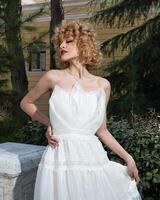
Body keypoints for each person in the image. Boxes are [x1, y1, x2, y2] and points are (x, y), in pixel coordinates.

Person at [20, 20, 142, 200]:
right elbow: (26, 103)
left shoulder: (103, 85)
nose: (61, 45)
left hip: (92, 159)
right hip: (59, 159)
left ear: (84, 43)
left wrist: (128, 158)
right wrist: (50, 123)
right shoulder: (53, 77)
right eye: (60, 42)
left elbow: (102, 130)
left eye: (68, 41)